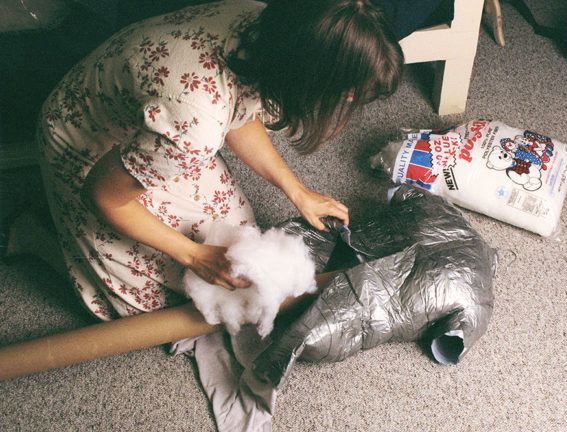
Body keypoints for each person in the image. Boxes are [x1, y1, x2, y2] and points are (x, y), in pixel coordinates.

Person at [12, 0, 403, 320]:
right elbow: (102, 195)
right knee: (150, 306)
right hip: (82, 140)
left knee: (236, 238)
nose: (349, 103)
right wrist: (194, 255)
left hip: (151, 121)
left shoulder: (263, 22)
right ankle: (33, 233)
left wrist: (296, 191)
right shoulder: (196, 124)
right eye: (347, 95)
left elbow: (239, 110)